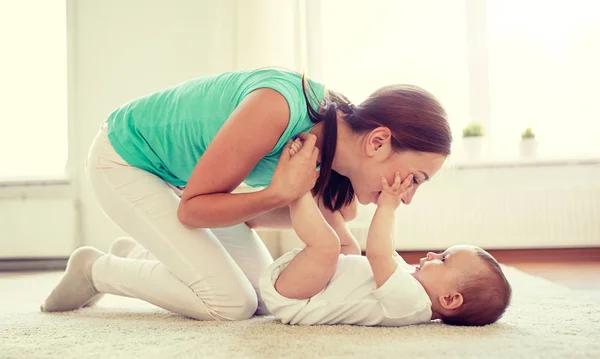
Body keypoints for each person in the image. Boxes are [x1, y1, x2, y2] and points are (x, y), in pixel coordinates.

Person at [41, 67, 452, 321]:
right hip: (124, 160)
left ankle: (142, 251)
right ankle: (96, 269)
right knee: (230, 304)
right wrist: (279, 193)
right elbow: (192, 212)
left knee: (262, 293)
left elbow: (248, 216)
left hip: (182, 183)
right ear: (377, 142)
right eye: (414, 178)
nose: (409, 195)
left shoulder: (328, 150)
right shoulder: (279, 108)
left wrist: (302, 202)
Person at [260, 141, 512, 326]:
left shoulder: (412, 304)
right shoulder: (411, 282)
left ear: (449, 299)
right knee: (348, 247)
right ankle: (322, 199)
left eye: (443, 259)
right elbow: (387, 251)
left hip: (300, 298)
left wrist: (388, 205)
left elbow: (379, 254)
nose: (433, 254)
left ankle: (298, 188)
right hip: (314, 282)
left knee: (327, 247)